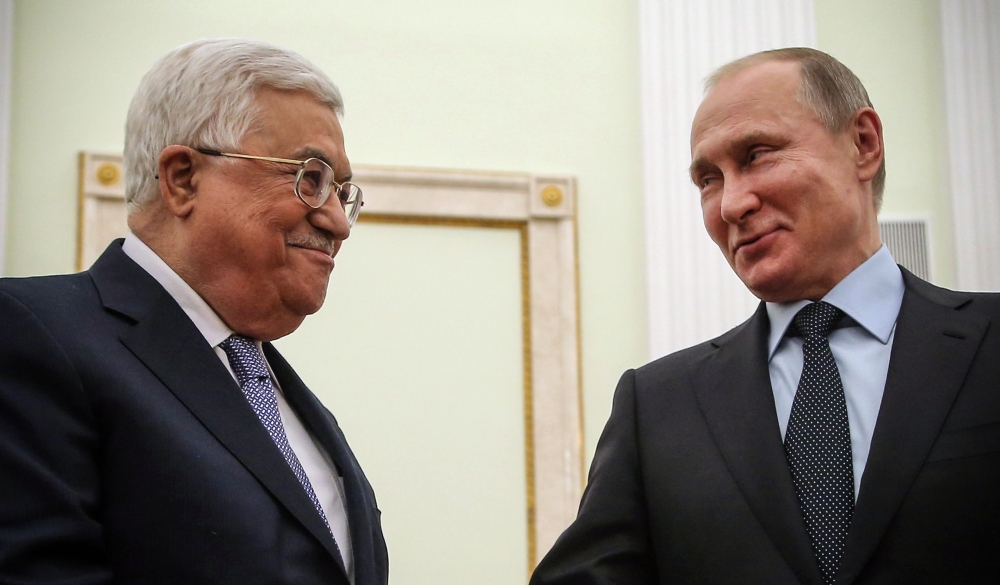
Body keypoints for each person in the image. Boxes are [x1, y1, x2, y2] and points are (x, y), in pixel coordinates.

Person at [530, 47, 1000, 584]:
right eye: (708, 179)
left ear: (863, 144)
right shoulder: (655, 406)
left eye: (756, 155)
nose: (731, 204)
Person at [0, 39, 387, 585]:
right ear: (182, 177)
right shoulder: (30, 333)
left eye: (342, 191)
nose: (338, 222)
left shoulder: (280, 394)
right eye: (311, 177)